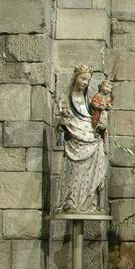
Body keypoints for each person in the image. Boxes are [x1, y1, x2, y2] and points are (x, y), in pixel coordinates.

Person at [57, 65, 108, 213]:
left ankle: (87, 202)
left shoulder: (88, 100)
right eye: (83, 78)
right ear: (75, 77)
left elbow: (91, 117)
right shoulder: (66, 99)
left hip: (90, 136)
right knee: (75, 172)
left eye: (88, 80)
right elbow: (64, 119)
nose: (85, 82)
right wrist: (65, 121)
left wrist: (100, 125)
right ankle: (71, 201)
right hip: (76, 140)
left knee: (89, 171)